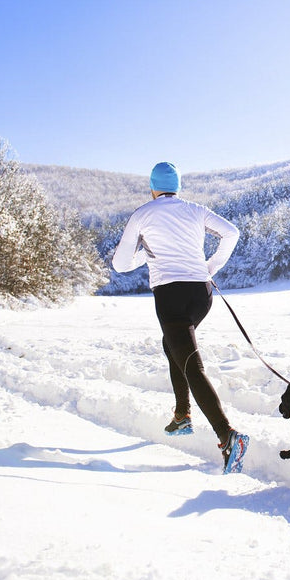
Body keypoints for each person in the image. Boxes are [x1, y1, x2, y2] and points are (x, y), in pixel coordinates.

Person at [111, 161, 248, 473]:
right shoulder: (195, 209)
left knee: (190, 363)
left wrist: (145, 253)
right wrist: (210, 267)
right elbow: (231, 232)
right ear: (177, 186)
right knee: (173, 347)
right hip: (202, 294)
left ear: (152, 187)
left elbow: (120, 264)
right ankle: (182, 415)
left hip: (170, 296)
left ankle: (228, 436)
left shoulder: (143, 214)